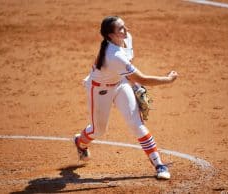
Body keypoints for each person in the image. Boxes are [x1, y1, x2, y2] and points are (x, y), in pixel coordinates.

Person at [74, 16, 178, 180]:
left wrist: (133, 86)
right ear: (110, 35)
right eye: (120, 29)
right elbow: (142, 78)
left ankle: (159, 164)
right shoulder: (113, 54)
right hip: (99, 90)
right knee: (98, 131)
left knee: (136, 124)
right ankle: (80, 142)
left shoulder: (127, 39)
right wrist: (168, 80)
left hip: (120, 84)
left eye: (124, 26)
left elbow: (128, 71)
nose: (126, 30)